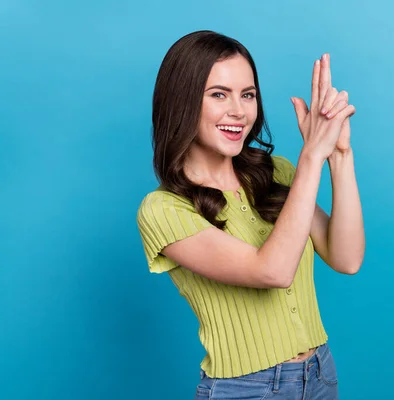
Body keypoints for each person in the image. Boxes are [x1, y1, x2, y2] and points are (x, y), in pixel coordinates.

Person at [136, 30, 365, 400]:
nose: (239, 111)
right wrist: (312, 156)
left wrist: (339, 155)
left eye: (248, 94)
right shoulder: (164, 210)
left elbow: (347, 258)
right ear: (182, 101)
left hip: (320, 374)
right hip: (248, 390)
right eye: (218, 94)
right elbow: (270, 270)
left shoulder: (277, 173)